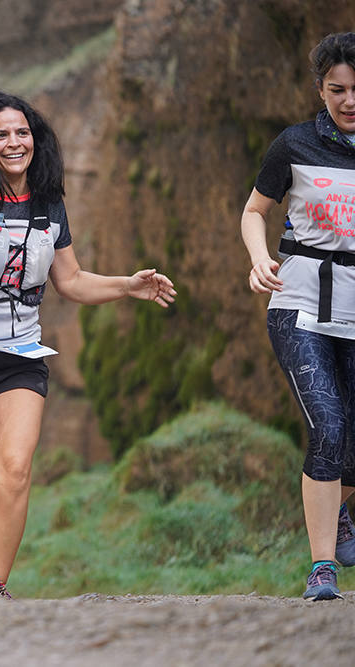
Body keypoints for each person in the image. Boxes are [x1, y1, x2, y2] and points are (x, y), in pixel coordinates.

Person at [0, 91, 176, 600]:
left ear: (36, 139)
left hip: (19, 358)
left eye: (22, 132)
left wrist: (127, 285)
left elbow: (70, 282)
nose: (13, 142)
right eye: (1, 134)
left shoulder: (50, 205)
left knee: (15, 469)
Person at [240, 32, 355, 601]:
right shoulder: (295, 145)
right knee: (327, 428)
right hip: (300, 303)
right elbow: (255, 211)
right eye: (337, 89)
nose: (349, 100)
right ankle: (323, 567)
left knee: (348, 443)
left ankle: (336, 512)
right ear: (320, 89)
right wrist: (261, 257)